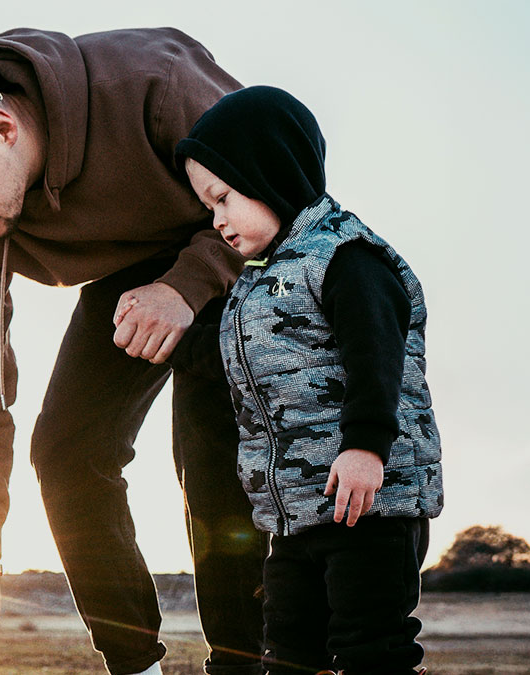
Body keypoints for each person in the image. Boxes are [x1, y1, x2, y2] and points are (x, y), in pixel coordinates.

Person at [0, 28, 266, 675]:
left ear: (2, 126)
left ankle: (252, 664)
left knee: (207, 438)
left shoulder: (152, 84)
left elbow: (278, 182)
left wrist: (187, 286)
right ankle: (136, 667)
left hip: (240, 249)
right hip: (130, 274)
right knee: (68, 451)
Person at [167, 86, 443, 675]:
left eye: (222, 198)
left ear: (268, 172)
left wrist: (366, 447)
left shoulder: (345, 257)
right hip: (294, 514)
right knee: (288, 651)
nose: (216, 221)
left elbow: (378, 358)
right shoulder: (255, 283)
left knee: (371, 645)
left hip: (370, 504)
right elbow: (233, 361)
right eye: (207, 209)